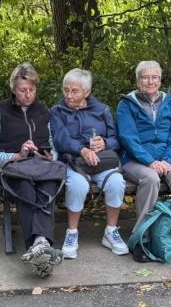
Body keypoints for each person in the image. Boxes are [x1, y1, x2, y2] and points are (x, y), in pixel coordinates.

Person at [117, 60, 171, 262]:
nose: (150, 81)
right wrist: (150, 162)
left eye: (154, 77)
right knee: (150, 179)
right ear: (138, 81)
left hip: (167, 157)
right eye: (145, 77)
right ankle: (141, 237)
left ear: (160, 80)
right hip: (136, 159)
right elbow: (128, 138)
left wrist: (169, 161)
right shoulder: (126, 104)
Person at [0, 63, 63, 277]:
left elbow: (53, 146)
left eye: (32, 89)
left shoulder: (43, 111)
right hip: (12, 169)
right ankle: (40, 244)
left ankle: (39, 245)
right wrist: (16, 155)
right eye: (23, 90)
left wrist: (51, 156)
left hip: (41, 167)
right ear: (13, 89)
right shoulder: (0, 111)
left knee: (48, 185)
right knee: (26, 188)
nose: (28, 95)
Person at [51, 68, 128, 258]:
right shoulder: (57, 111)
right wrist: (82, 150)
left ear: (87, 92)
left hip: (102, 162)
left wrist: (105, 143)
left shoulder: (101, 110)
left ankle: (111, 231)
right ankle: (72, 232)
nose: (68, 95)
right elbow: (60, 139)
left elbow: (117, 140)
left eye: (74, 91)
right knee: (78, 185)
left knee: (116, 182)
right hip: (73, 161)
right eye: (66, 90)